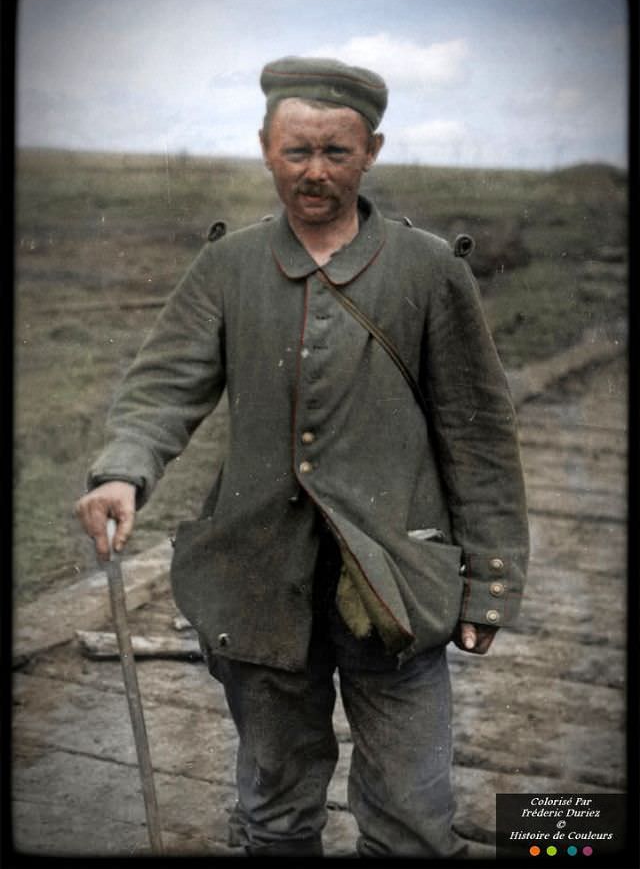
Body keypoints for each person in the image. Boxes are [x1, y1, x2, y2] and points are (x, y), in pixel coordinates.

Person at [75, 56, 529, 858]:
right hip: (260, 583)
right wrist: (122, 468)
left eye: (336, 152)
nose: (314, 172)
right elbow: (164, 386)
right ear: (263, 147)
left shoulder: (429, 269)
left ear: (372, 151)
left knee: (413, 820)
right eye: (296, 151)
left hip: (396, 585)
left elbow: (478, 432)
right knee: (275, 816)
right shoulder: (229, 266)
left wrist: (488, 586)